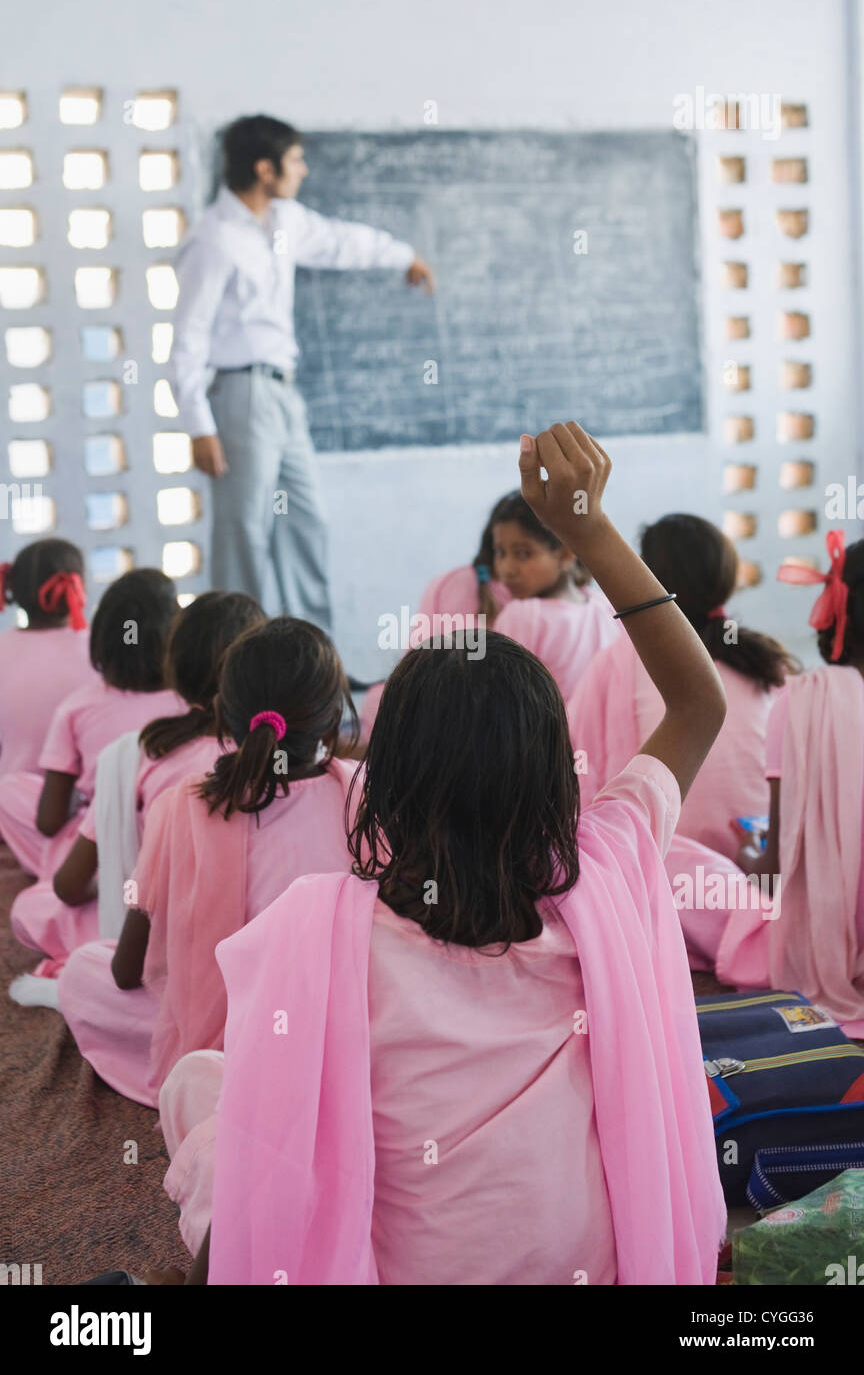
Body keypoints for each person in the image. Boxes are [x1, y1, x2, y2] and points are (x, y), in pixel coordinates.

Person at [164, 421, 727, 1286]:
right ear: (553, 772)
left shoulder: (322, 927)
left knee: (206, 1091)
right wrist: (589, 529)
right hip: (591, 1264)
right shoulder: (605, 865)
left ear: (386, 785)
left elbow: (272, 1159)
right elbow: (696, 703)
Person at [59, 617, 359, 1107]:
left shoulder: (183, 807)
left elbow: (125, 971)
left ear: (224, 717)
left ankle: (215, 1090)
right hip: (346, 1042)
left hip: (230, 1053)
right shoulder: (365, 795)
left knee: (81, 971)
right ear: (333, 719)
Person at [168, 114, 436, 626]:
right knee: (243, 533)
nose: (304, 169)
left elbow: (341, 241)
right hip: (239, 394)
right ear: (265, 169)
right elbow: (187, 340)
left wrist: (405, 255)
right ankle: (230, 666)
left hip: (284, 395)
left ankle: (314, 666)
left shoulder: (285, 221)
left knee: (307, 522)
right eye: (295, 160)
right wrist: (199, 426)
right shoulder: (215, 239)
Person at [8, 592, 263, 1003]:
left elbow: (73, 889)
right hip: (262, 959)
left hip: (157, 937)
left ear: (174, 667)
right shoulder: (296, 764)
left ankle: (78, 992)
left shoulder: (131, 754)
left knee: (42, 918)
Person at [567, 513, 795, 856]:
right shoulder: (763, 660)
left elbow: (578, 774)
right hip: (759, 857)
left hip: (660, 865)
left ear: (644, 579)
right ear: (727, 577)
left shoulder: (617, 662)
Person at [722, 531, 864, 1029]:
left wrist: (744, 856)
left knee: (687, 875)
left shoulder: (803, 702)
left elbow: (774, 868)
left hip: (821, 954)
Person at [360, 489, 617, 740]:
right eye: (501, 553)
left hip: (534, 750)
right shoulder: (604, 606)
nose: (507, 568)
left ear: (565, 553)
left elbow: (490, 702)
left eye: (523, 554)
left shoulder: (525, 616)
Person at [0, 569, 184, 891]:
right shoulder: (192, 701)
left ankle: (93, 884)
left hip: (100, 850)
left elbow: (49, 820)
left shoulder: (77, 707)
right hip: (178, 845)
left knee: (10, 790)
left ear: (100, 637)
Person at [0, 540, 93, 779]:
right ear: (76, 587)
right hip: (85, 804)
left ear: (12, 587)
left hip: (7, 803)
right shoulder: (101, 651)